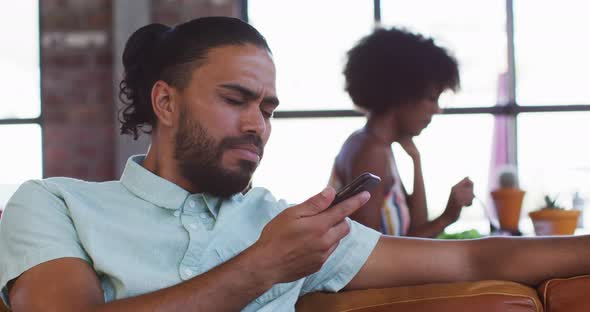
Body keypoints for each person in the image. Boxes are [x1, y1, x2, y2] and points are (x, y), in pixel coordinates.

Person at [1, 16, 590, 312]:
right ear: (166, 102)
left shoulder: (282, 224)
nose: (258, 124)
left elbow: (473, 254)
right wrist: (261, 268)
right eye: (236, 100)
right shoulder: (55, 204)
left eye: (268, 107)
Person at [329, 27, 475, 237]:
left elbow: (416, 226)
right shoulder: (372, 152)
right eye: (432, 98)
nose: (437, 109)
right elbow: (371, 255)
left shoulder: (375, 144)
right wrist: (447, 218)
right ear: (403, 94)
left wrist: (416, 160)